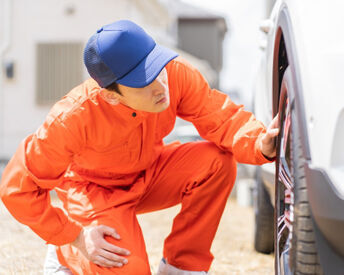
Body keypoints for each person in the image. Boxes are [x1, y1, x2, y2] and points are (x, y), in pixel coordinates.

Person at [0, 20, 279, 275]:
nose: (160, 86)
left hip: (148, 172)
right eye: (144, 81)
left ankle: (181, 267)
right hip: (94, 191)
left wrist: (258, 142)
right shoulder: (71, 118)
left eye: (156, 68)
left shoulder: (174, 74)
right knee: (126, 267)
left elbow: (221, 117)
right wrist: (72, 234)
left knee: (217, 161)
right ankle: (66, 254)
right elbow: (16, 189)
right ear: (111, 96)